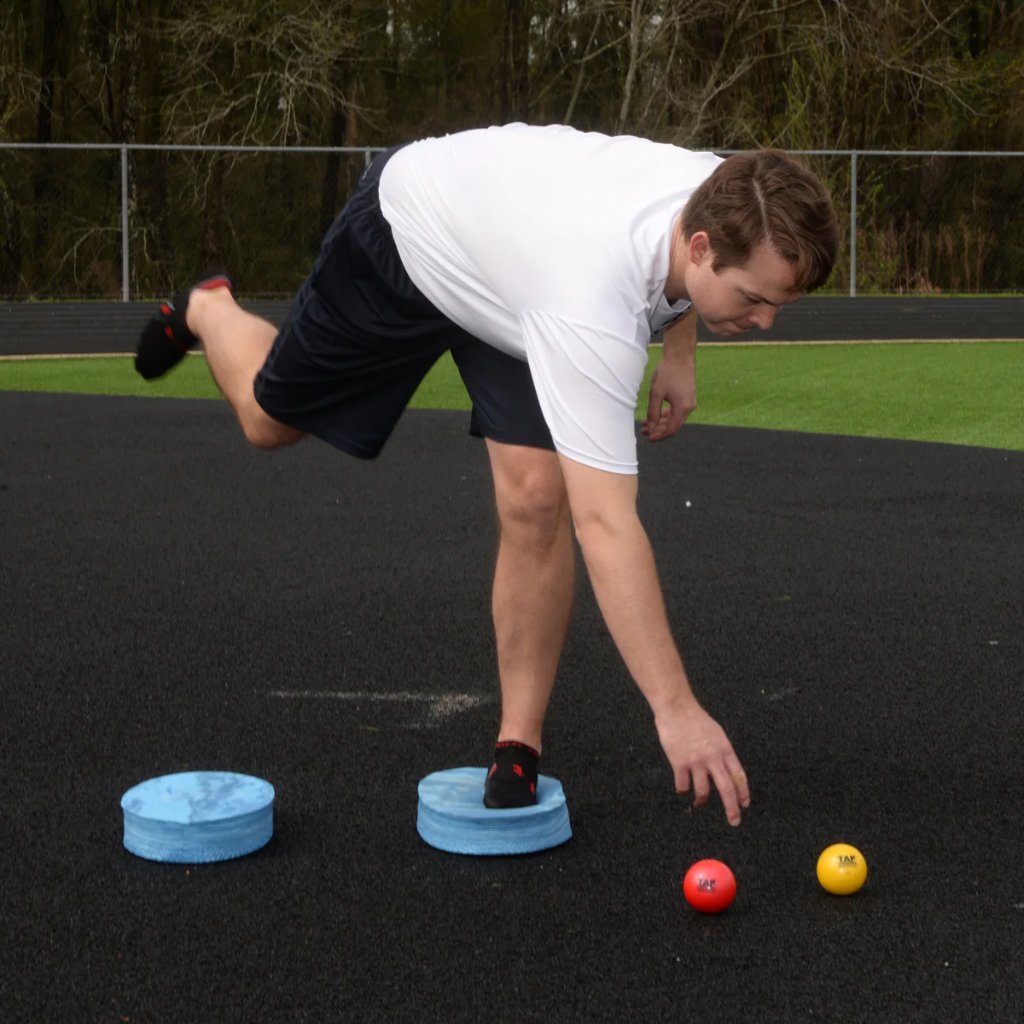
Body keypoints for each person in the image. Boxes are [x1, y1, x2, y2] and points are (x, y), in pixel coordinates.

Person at [135, 123, 838, 826]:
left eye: (778, 303)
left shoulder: (731, 186)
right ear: (702, 249)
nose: (768, 321)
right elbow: (607, 526)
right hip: (412, 238)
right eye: (753, 299)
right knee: (268, 421)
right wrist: (676, 710)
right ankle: (209, 306)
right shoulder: (591, 303)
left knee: (536, 495)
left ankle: (518, 741)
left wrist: (681, 353)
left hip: (520, 281)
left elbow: (688, 269)